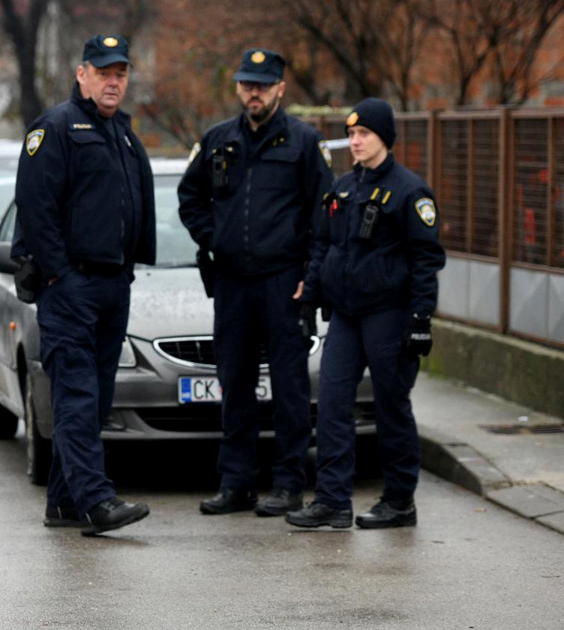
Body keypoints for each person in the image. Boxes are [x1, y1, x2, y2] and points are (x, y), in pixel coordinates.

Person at [178, 48, 333, 517]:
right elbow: (190, 197)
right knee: (235, 383)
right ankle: (237, 482)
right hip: (232, 283)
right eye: (247, 84)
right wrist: (215, 239)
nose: (254, 93)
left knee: (288, 387)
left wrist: (311, 276)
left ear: (280, 89)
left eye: (262, 85)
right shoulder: (218, 139)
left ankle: (288, 483)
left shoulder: (304, 142)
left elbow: (323, 214)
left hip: (282, 280)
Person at [12, 34, 155, 535]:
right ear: (82, 74)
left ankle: (63, 500)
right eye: (103, 72)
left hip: (114, 282)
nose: (113, 81)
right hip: (70, 285)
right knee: (75, 395)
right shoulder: (55, 128)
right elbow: (36, 206)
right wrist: (58, 273)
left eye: (120, 73)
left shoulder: (122, 132)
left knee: (93, 398)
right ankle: (96, 501)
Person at [286, 98, 446, 529]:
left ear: (384, 139)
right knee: (334, 403)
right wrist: (308, 302)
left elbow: (426, 260)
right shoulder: (342, 188)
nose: (355, 141)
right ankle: (333, 501)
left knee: (391, 406)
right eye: (352, 134)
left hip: (388, 316)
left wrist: (419, 318)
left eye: (364, 134)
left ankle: (399, 501)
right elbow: (325, 248)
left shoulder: (410, 191)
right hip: (346, 315)